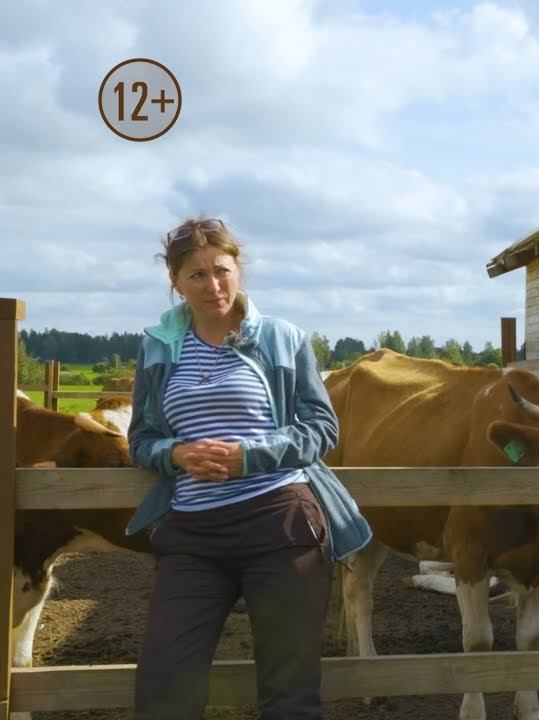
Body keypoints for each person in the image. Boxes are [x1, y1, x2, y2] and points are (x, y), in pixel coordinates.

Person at [125, 217, 372, 719]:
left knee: (290, 692)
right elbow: (141, 439)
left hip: (280, 523)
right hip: (193, 533)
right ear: (175, 282)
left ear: (239, 270)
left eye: (221, 270)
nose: (213, 285)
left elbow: (322, 428)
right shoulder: (157, 347)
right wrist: (175, 454)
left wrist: (249, 456)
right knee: (164, 686)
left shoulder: (283, 338)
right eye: (196, 275)